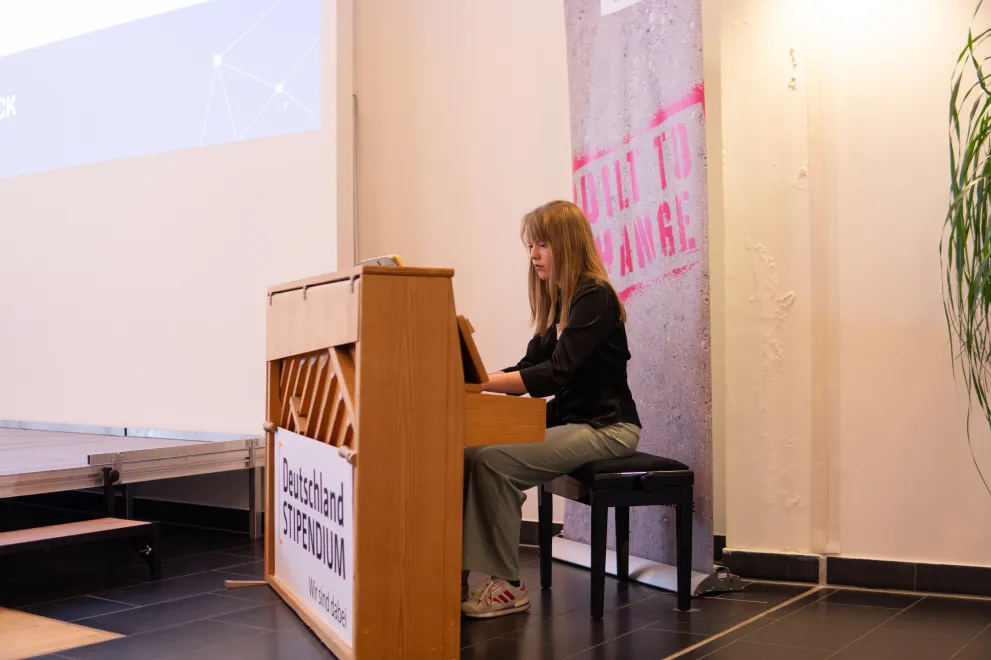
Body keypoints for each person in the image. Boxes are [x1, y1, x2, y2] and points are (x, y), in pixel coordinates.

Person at [461, 199, 642, 619]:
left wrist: (478, 380)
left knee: (494, 462)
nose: (533, 255)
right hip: (573, 420)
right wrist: (474, 377)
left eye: (541, 244)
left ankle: (507, 585)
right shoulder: (561, 299)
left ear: (567, 243)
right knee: (470, 455)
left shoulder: (594, 296)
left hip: (607, 427)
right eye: (529, 246)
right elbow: (528, 370)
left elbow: (555, 374)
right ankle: (461, 575)